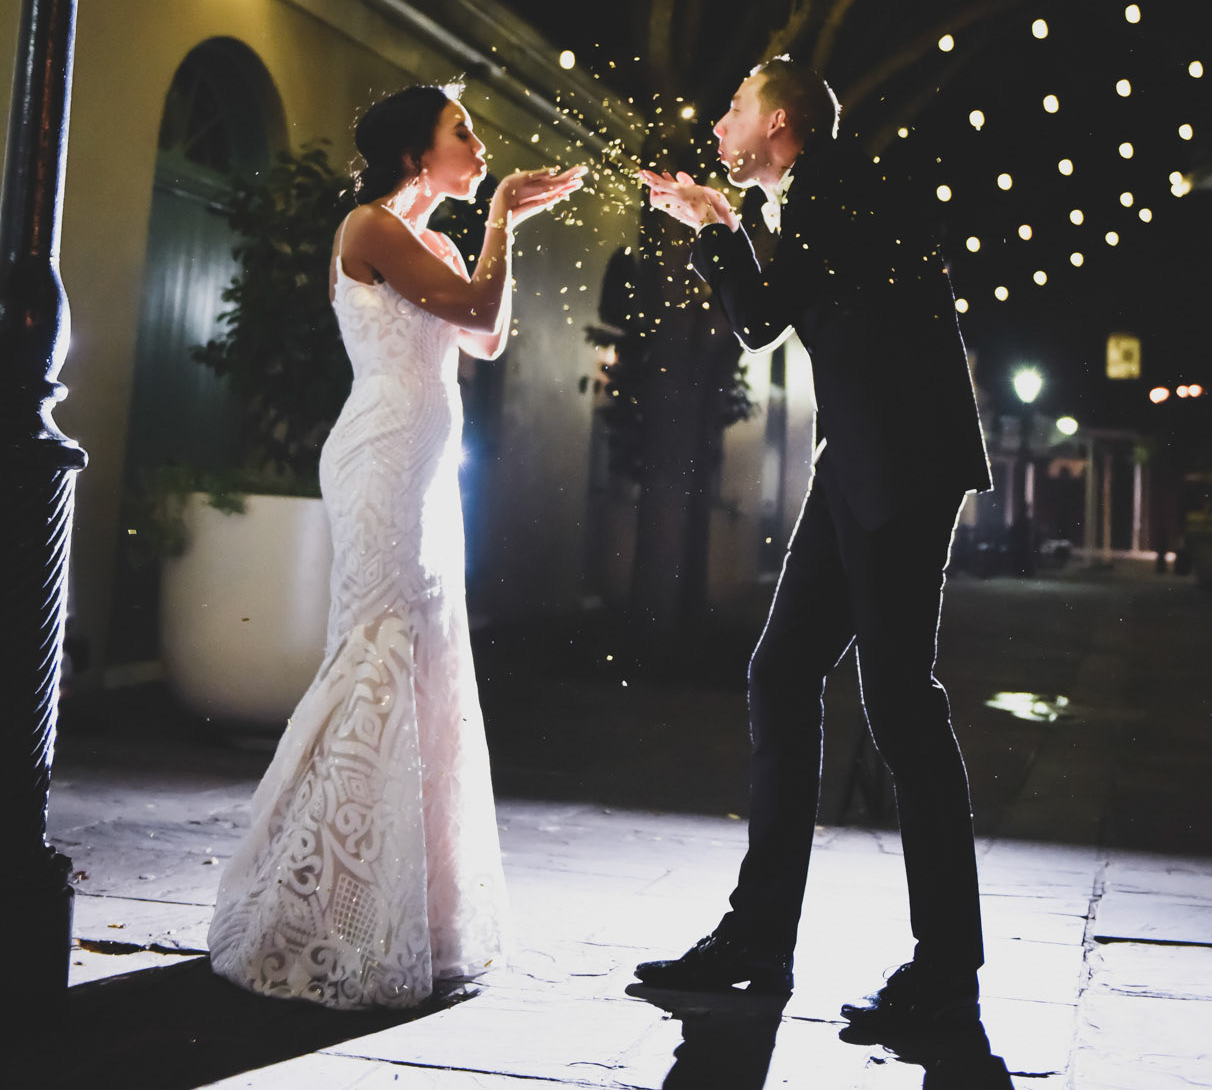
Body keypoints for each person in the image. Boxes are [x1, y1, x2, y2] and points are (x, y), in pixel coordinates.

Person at [635, 58, 991, 1040]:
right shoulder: (827, 190)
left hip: (897, 468)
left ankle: (946, 972)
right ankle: (758, 939)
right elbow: (784, 298)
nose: (717, 115)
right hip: (867, 463)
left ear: (781, 120)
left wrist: (715, 221)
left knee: (899, 706)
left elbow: (756, 318)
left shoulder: (833, 180)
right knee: (783, 670)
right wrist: (732, 217)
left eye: (734, 101)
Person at [209, 83, 584, 1010]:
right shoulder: (369, 228)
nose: (481, 143)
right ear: (418, 154)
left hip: (429, 475)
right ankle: (314, 900)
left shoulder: (441, 242)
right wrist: (501, 215)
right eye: (465, 131)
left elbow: (486, 334)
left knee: (423, 663)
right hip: (380, 463)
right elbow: (469, 303)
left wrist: (501, 232)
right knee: (376, 651)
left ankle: (399, 903)